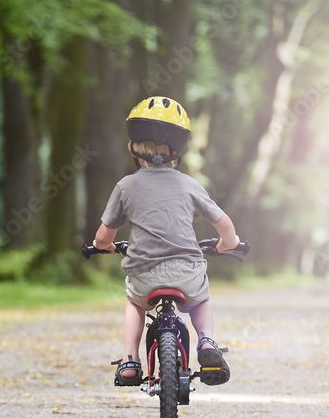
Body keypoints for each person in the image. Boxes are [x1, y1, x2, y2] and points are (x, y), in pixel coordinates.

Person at [93, 96, 240, 386]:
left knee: (134, 305)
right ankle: (207, 342)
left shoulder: (126, 186)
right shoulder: (189, 184)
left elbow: (103, 236)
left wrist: (102, 247)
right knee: (200, 302)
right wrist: (228, 243)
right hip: (187, 272)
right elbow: (224, 224)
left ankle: (130, 360)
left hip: (144, 274)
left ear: (131, 149)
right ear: (177, 152)